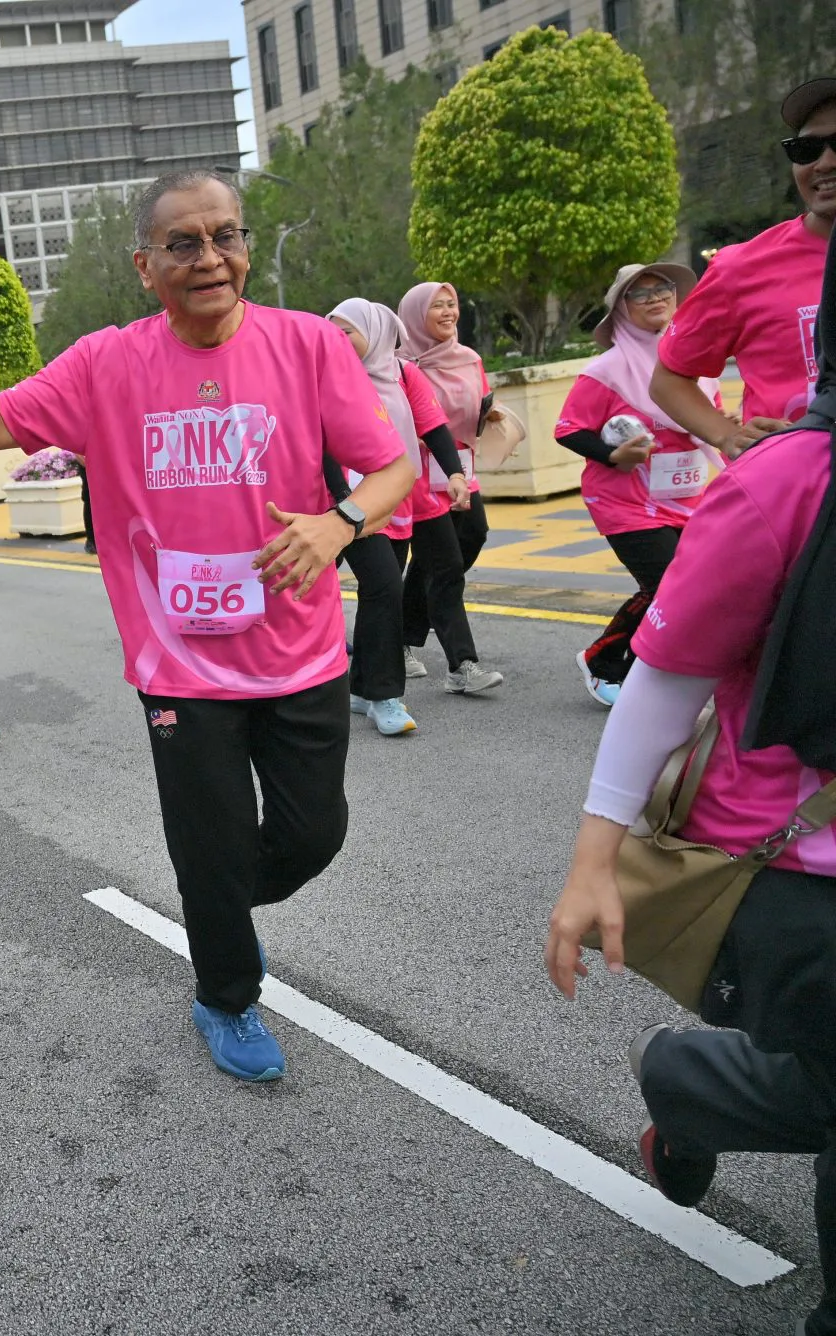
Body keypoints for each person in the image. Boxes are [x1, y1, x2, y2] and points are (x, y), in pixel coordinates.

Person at [0, 168, 415, 1083]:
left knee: (313, 837)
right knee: (212, 840)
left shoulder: (307, 346)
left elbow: (392, 471)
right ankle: (226, 991)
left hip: (301, 654)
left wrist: (339, 523)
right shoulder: (108, 362)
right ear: (145, 265)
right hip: (179, 666)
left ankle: (215, 901)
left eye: (224, 236)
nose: (209, 258)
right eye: (183, 244)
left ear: (246, 247)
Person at [546, 217, 836, 1336]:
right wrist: (593, 860)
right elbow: (665, 676)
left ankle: (688, 1082)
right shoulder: (784, 482)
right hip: (791, 862)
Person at [555, 263, 720, 707]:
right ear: (622, 310)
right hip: (623, 500)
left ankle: (657, 664)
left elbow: (710, 423)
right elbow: (568, 429)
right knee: (666, 585)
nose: (654, 299)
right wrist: (614, 454)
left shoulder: (699, 365)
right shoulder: (606, 371)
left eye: (661, 289)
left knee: (692, 586)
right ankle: (602, 662)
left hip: (686, 495)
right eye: (640, 294)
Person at [652, 77, 836, 452]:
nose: (825, 163)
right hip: (793, 494)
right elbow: (668, 378)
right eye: (807, 149)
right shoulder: (741, 267)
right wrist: (726, 434)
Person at [325, 299, 468, 736]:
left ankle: (362, 686)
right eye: (330, 328)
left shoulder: (403, 375)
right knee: (384, 585)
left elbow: (433, 427)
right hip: (346, 502)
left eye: (346, 330)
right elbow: (321, 444)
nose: (335, 337)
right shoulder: (326, 378)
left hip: (396, 499)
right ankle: (385, 696)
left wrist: (456, 474)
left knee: (379, 591)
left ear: (376, 333)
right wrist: (345, 499)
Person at [395, 281, 501, 688]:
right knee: (445, 565)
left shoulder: (469, 358)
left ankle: (401, 637)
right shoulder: (401, 366)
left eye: (451, 305)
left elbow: (479, 402)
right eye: (435, 307)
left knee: (470, 538)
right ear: (414, 316)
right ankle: (462, 665)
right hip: (419, 475)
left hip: (460, 468)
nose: (446, 313)